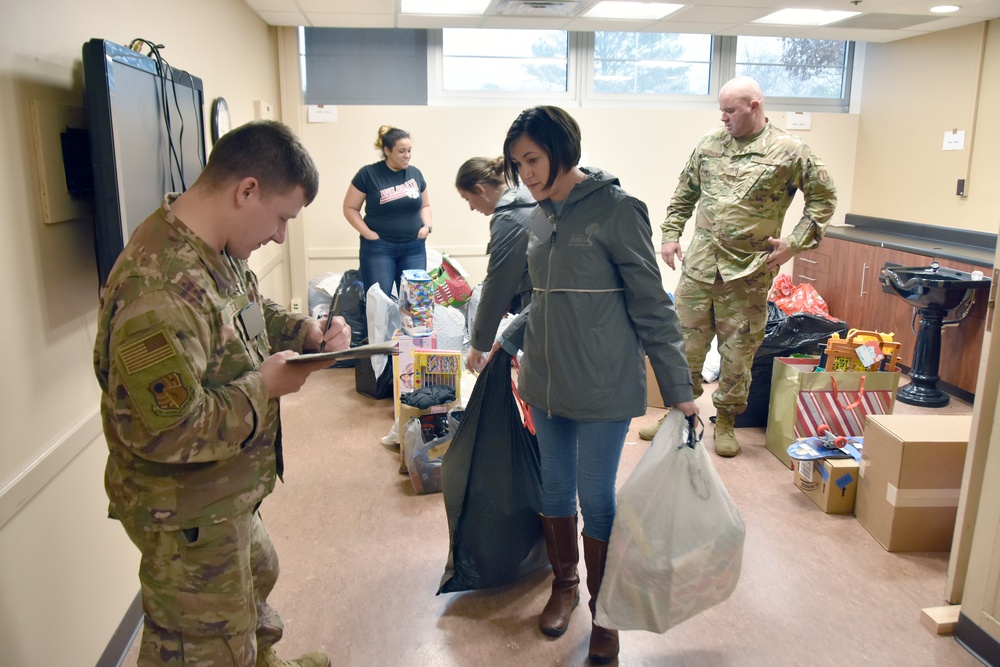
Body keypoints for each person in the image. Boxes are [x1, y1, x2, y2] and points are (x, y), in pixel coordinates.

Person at [94, 120, 350, 667]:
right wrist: (266, 387)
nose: (281, 236)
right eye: (282, 218)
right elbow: (167, 431)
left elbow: (244, 315)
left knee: (257, 574)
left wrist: (303, 331)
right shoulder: (158, 287)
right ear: (247, 191)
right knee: (206, 647)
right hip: (182, 508)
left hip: (221, 487)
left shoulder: (217, 249)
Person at [497, 106, 698, 665]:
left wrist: (678, 385)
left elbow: (653, 305)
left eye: (533, 159)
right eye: (518, 164)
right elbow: (538, 298)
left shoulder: (617, 211)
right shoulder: (537, 216)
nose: (527, 173)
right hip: (544, 378)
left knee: (597, 495)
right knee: (554, 490)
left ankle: (603, 609)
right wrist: (505, 341)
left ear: (564, 149)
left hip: (603, 381)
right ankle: (564, 586)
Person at [656, 75, 837, 457]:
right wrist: (670, 235)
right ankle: (677, 413)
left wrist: (795, 244)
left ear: (755, 106)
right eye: (720, 110)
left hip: (748, 272)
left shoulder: (789, 150)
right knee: (681, 345)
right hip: (700, 265)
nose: (723, 117)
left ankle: (725, 421)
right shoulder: (709, 144)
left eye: (730, 110)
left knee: (738, 354)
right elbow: (684, 193)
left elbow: (824, 198)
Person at [454, 156, 535, 374]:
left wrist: (478, 346)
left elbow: (497, 285)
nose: (471, 207)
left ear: (480, 189)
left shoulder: (510, 217)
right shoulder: (530, 199)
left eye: (467, 198)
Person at [343, 125, 432, 297]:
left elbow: (425, 205)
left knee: (415, 303)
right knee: (379, 303)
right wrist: (368, 234)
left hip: (414, 248)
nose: (407, 155)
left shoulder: (415, 174)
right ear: (387, 151)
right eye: (401, 151)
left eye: (409, 150)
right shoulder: (368, 174)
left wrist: (427, 226)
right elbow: (350, 208)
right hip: (379, 249)